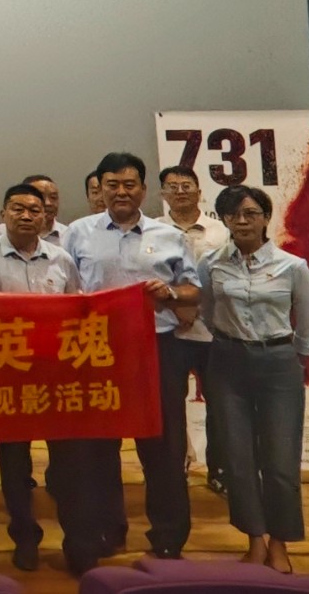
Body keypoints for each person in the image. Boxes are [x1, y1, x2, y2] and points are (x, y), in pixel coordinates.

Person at [58, 152, 199, 573]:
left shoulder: (169, 235)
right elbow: (62, 287)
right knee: (97, 448)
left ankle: (168, 538)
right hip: (95, 352)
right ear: (99, 188)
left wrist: (169, 294)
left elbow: (193, 290)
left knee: (163, 447)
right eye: (112, 184)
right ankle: (107, 530)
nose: (121, 192)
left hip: (156, 349)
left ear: (143, 189)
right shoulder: (77, 233)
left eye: (129, 184)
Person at [200, 185, 309, 575]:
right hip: (227, 364)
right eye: (233, 214)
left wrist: (290, 356)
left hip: (278, 364)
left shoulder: (293, 266)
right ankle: (255, 540)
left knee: (281, 460)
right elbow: (207, 311)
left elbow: (308, 323)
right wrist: (230, 341)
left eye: (251, 213)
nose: (242, 221)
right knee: (238, 458)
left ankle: (280, 542)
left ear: (266, 217)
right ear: (224, 220)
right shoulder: (211, 264)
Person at [0, 184, 81, 573]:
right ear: (3, 214)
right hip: (8, 374)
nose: (27, 215)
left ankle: (76, 541)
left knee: (67, 463)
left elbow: (77, 312)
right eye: (18, 208)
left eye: (35, 209)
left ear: (46, 216)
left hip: (56, 375)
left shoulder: (62, 258)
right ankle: (25, 537)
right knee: (14, 464)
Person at [160, 165, 230, 494]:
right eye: (172, 186)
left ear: (199, 192)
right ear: (162, 194)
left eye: (186, 185)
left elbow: (227, 277)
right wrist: (178, 307)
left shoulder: (222, 231)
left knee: (221, 404)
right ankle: (175, 467)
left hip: (213, 331)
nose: (180, 191)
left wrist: (198, 308)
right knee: (170, 406)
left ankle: (220, 469)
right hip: (170, 333)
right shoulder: (153, 231)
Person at [0, 175, 69, 245]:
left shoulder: (68, 234)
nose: (48, 203)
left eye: (53, 197)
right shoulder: (1, 231)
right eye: (41, 196)